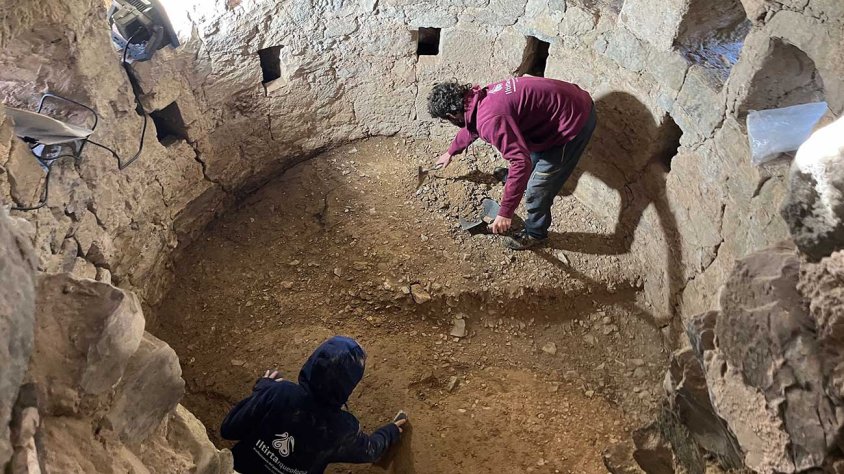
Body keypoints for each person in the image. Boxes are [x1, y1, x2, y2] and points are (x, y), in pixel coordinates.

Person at [428, 76, 597, 250]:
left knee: (538, 187)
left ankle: (535, 233)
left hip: (573, 121)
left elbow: (519, 162)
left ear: (450, 115)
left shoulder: (490, 119)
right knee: (526, 153)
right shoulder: (478, 98)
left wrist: (505, 212)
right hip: (558, 110)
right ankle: (514, 180)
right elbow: (472, 126)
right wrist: (451, 152)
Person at [221, 336, 407, 474]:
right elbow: (370, 450)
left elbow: (228, 429)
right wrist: (389, 432)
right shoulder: (341, 430)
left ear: (312, 362)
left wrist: (263, 389)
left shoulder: (279, 393)